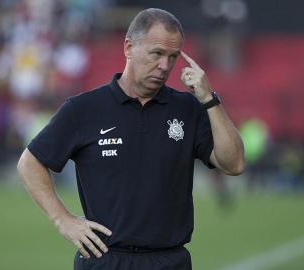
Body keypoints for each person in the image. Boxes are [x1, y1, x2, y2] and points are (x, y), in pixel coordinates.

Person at [17, 8, 245, 270]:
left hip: (170, 261)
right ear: (128, 47)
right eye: (157, 54)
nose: (164, 66)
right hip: (105, 259)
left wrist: (209, 99)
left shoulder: (188, 108)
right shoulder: (84, 109)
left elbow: (234, 164)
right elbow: (29, 163)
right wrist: (62, 219)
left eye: (172, 57)